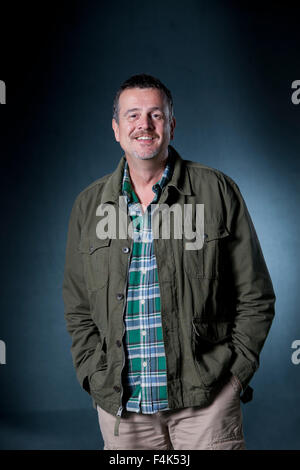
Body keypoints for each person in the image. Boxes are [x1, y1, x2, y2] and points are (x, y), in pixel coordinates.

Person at [62, 73, 276, 450]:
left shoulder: (217, 191)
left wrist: (235, 379)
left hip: (206, 404)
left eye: (155, 115)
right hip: (124, 413)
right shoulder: (89, 206)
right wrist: (94, 376)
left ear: (171, 126)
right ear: (116, 129)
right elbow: (78, 308)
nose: (143, 125)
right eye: (132, 116)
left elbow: (256, 296)